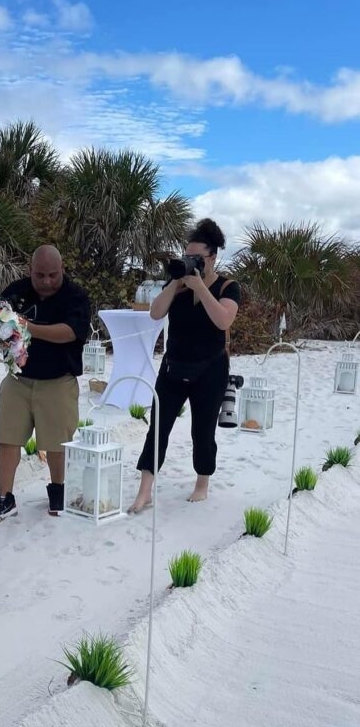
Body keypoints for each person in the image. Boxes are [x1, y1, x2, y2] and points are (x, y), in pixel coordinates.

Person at [128, 218, 241, 513]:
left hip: (210, 368)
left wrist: (201, 288)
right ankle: (145, 491)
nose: (191, 261)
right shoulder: (177, 283)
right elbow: (155, 314)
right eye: (187, 255)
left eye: (197, 258)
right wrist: (177, 283)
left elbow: (223, 320)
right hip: (173, 366)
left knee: (202, 431)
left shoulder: (228, 287)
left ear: (213, 257)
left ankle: (202, 482)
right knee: (158, 428)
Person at [0, 245, 91, 523]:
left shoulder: (75, 296)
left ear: (62, 270)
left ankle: (58, 490)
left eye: (53, 275)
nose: (46, 281)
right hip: (18, 378)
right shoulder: (16, 290)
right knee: (7, 438)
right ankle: (4, 498)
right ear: (30, 271)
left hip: (58, 380)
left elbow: (70, 333)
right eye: (39, 275)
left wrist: (27, 326)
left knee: (56, 443)